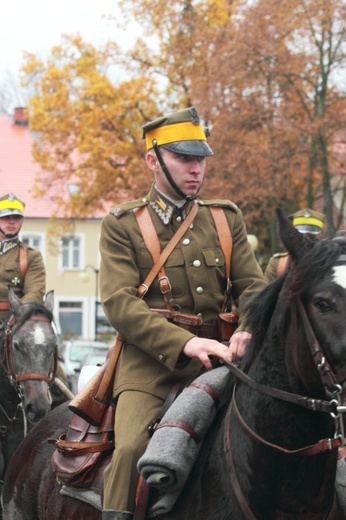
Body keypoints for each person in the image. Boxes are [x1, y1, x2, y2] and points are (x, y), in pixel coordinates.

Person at [99, 106, 266, 520]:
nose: (196, 169)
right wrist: (186, 342)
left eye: (201, 159)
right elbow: (119, 302)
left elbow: (255, 288)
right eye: (184, 158)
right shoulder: (122, 224)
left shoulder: (225, 219)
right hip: (151, 366)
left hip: (227, 360)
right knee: (132, 450)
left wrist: (249, 327)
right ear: (153, 160)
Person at [0, 193, 46, 323]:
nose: (11, 221)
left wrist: (19, 312)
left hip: (16, 322)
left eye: (16, 217)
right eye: (5, 217)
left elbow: (35, 291)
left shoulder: (31, 256)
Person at [264, 207, 325, 283]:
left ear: (320, 235)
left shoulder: (330, 262)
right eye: (301, 234)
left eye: (312, 233)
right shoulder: (278, 265)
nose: (307, 238)